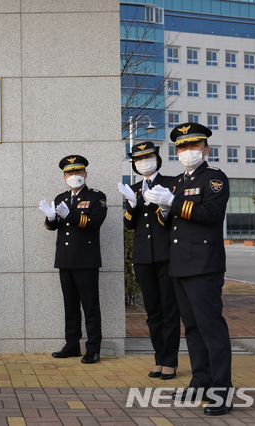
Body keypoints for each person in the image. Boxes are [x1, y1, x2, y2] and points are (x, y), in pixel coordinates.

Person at [144, 122, 233, 416]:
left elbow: (210, 215)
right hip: (180, 264)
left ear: (205, 149)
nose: (187, 151)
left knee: (211, 328)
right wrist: (165, 209)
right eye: (182, 147)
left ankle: (222, 390)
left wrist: (174, 202)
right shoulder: (178, 183)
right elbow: (168, 223)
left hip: (204, 264)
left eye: (193, 146)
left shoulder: (214, 180)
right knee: (192, 328)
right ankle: (201, 381)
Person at [119, 142, 180, 380]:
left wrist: (165, 206)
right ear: (134, 164)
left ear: (157, 158)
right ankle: (158, 359)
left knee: (169, 311)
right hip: (143, 257)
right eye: (138, 159)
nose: (143, 161)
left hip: (167, 255)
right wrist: (132, 206)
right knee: (153, 311)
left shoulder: (171, 184)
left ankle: (170, 362)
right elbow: (129, 224)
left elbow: (176, 219)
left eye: (148, 157)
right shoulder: (133, 188)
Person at [39, 155, 107, 364]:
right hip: (65, 258)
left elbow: (95, 222)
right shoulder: (61, 197)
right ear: (64, 176)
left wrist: (71, 215)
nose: (74, 175)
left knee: (90, 306)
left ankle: (93, 349)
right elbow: (55, 226)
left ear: (85, 174)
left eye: (78, 172)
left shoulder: (97, 197)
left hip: (86, 260)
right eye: (69, 172)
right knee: (70, 305)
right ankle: (72, 345)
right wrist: (50, 219)